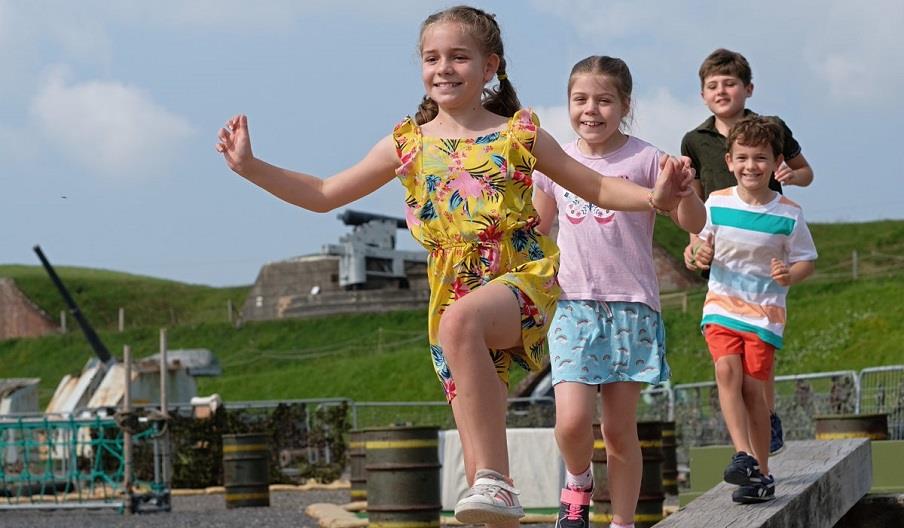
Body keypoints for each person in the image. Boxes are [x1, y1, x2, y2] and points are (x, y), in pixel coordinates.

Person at [216, 5, 692, 526]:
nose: (443, 67)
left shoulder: (520, 135)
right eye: (432, 57)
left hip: (521, 279)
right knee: (476, 479)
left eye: (458, 57)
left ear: (489, 67)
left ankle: (500, 480)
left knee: (463, 324)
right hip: (451, 288)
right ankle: (495, 490)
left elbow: (597, 185)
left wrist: (654, 197)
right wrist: (251, 167)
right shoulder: (408, 143)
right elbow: (326, 193)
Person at [532, 56, 705, 528]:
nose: (592, 110)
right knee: (570, 423)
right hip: (572, 304)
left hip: (631, 307)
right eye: (581, 99)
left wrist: (685, 190)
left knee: (618, 430)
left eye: (604, 100)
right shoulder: (555, 162)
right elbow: (537, 227)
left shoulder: (648, 160)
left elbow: (693, 222)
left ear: (625, 105)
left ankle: (623, 522)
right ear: (568, 103)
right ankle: (578, 481)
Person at [681, 48, 815, 456]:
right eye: (713, 85)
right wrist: (694, 245)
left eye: (730, 83)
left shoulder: (772, 128)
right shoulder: (695, 139)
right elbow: (695, 201)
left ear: (748, 88)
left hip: (765, 244)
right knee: (727, 361)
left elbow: (806, 173)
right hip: (723, 246)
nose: (722, 91)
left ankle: (766, 417)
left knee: (757, 361)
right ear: (703, 94)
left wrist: (793, 175)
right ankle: (745, 444)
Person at [693, 116, 817, 503]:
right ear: (729, 161)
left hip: (764, 314)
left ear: (776, 162)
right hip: (722, 306)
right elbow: (699, 247)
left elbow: (806, 260)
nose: (751, 166)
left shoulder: (788, 213)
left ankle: (762, 472)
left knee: (755, 393)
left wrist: (789, 275)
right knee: (726, 371)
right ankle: (743, 454)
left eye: (760, 158)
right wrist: (701, 254)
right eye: (743, 158)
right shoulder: (716, 203)